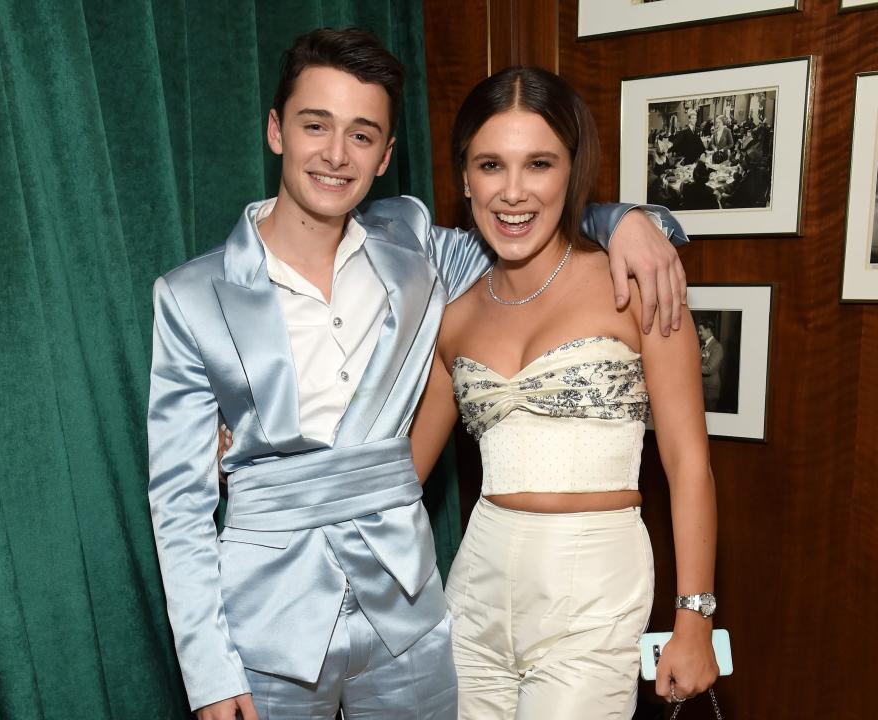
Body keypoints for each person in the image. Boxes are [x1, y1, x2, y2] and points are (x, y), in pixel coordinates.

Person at [148, 29, 689, 720]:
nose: (337, 154)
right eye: (317, 125)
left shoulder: (418, 254)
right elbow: (178, 506)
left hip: (408, 619)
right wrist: (208, 670)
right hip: (267, 629)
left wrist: (627, 220)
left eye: (363, 135)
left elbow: (523, 217)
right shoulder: (191, 295)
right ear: (277, 130)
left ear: (386, 156)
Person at [409, 66, 718, 719]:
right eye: (491, 165)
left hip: (595, 598)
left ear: (571, 173)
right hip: (475, 596)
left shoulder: (635, 285)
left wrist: (694, 617)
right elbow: (400, 473)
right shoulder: (455, 314)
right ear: (465, 176)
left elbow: (688, 462)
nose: (513, 192)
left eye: (539, 164)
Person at [698, 319, 724, 411]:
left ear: (708, 330)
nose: (699, 333)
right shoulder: (703, 346)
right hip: (702, 390)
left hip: (710, 392)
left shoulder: (717, 347)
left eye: (701, 330)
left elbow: (709, 369)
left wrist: (691, 367)